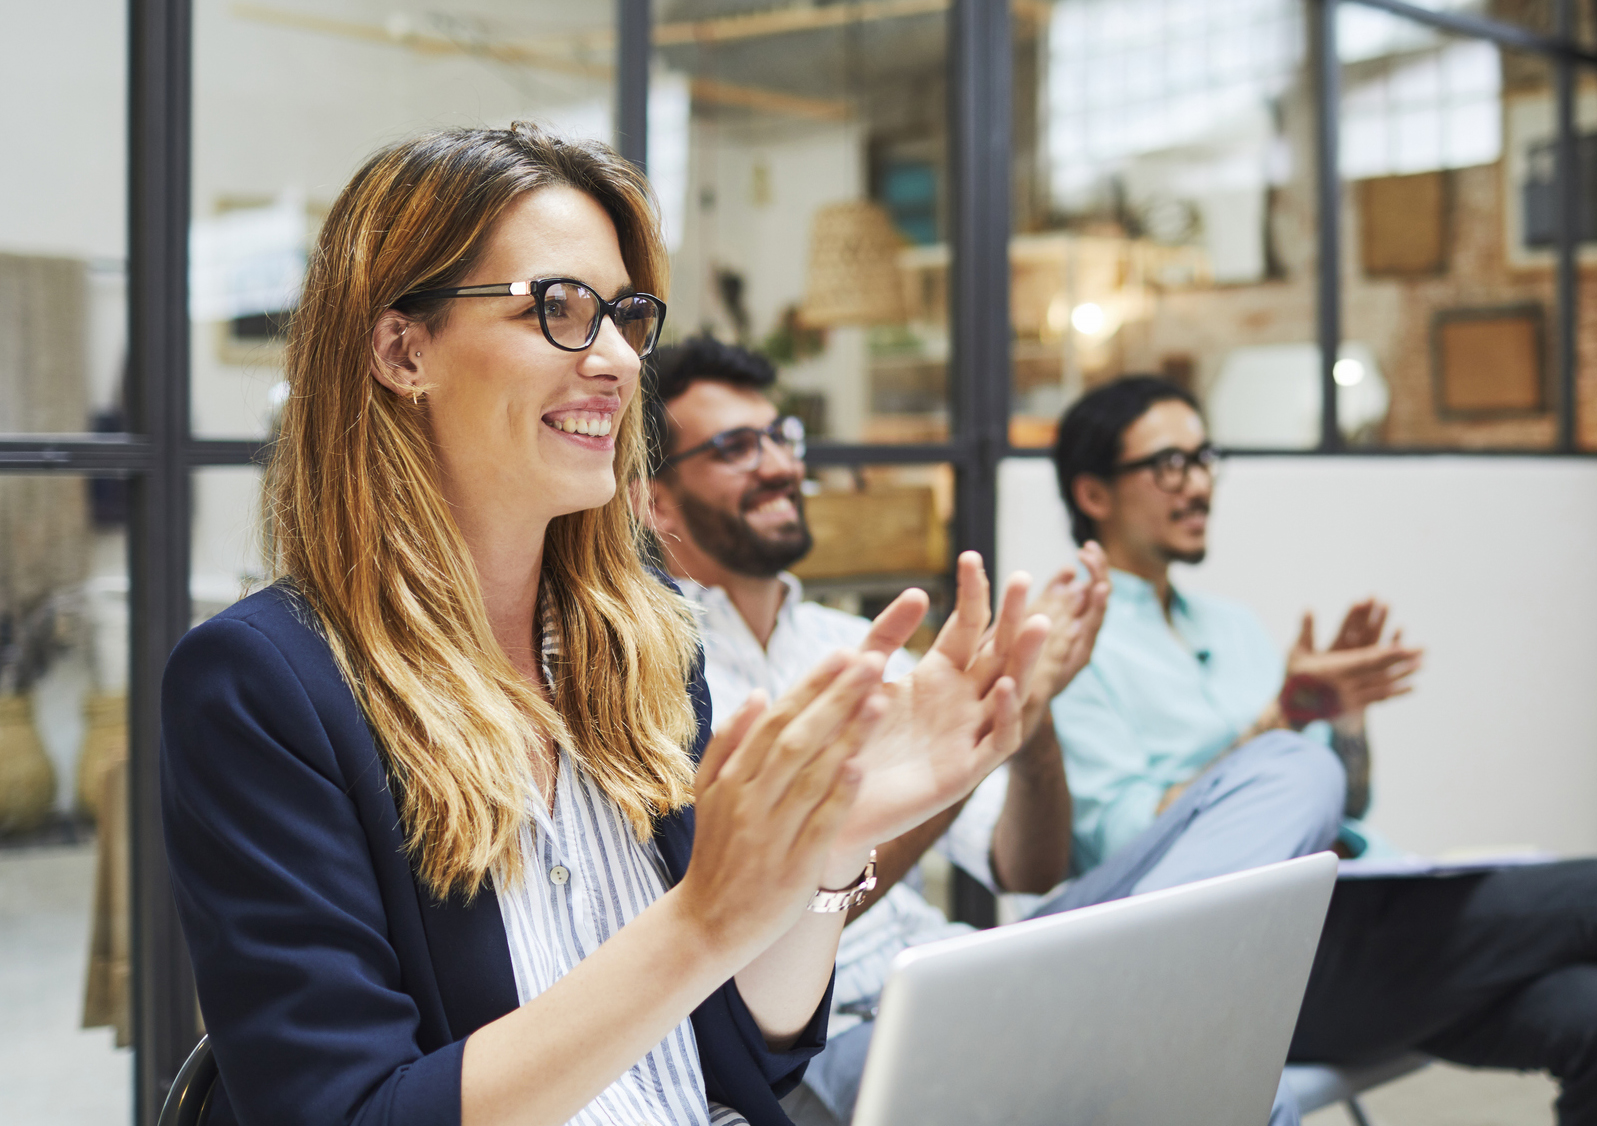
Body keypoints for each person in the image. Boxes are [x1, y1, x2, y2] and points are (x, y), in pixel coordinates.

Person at [158, 124, 1048, 1126]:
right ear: (404, 349)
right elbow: (349, 1110)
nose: (620, 362)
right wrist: (701, 922)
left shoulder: (647, 642)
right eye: (560, 309)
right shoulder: (264, 685)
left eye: (626, 317)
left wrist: (833, 842)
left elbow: (750, 1044)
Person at [1047, 375, 1597, 1126]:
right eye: (1170, 464)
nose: (1198, 485)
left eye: (1205, 459)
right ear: (1094, 494)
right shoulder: (1070, 647)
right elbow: (1129, 848)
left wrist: (1344, 722)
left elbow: (1348, 800)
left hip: (1353, 911)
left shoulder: (1227, 625)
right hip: (1244, 957)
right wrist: (1284, 719)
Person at [636, 336, 1110, 1122]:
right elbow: (749, 925)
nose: (780, 466)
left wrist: (1029, 720)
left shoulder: (863, 644)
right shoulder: (648, 674)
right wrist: (945, 771)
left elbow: (1025, 869)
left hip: (957, 970)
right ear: (658, 502)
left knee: (1279, 778)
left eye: (781, 438)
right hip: (835, 1036)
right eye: (734, 448)